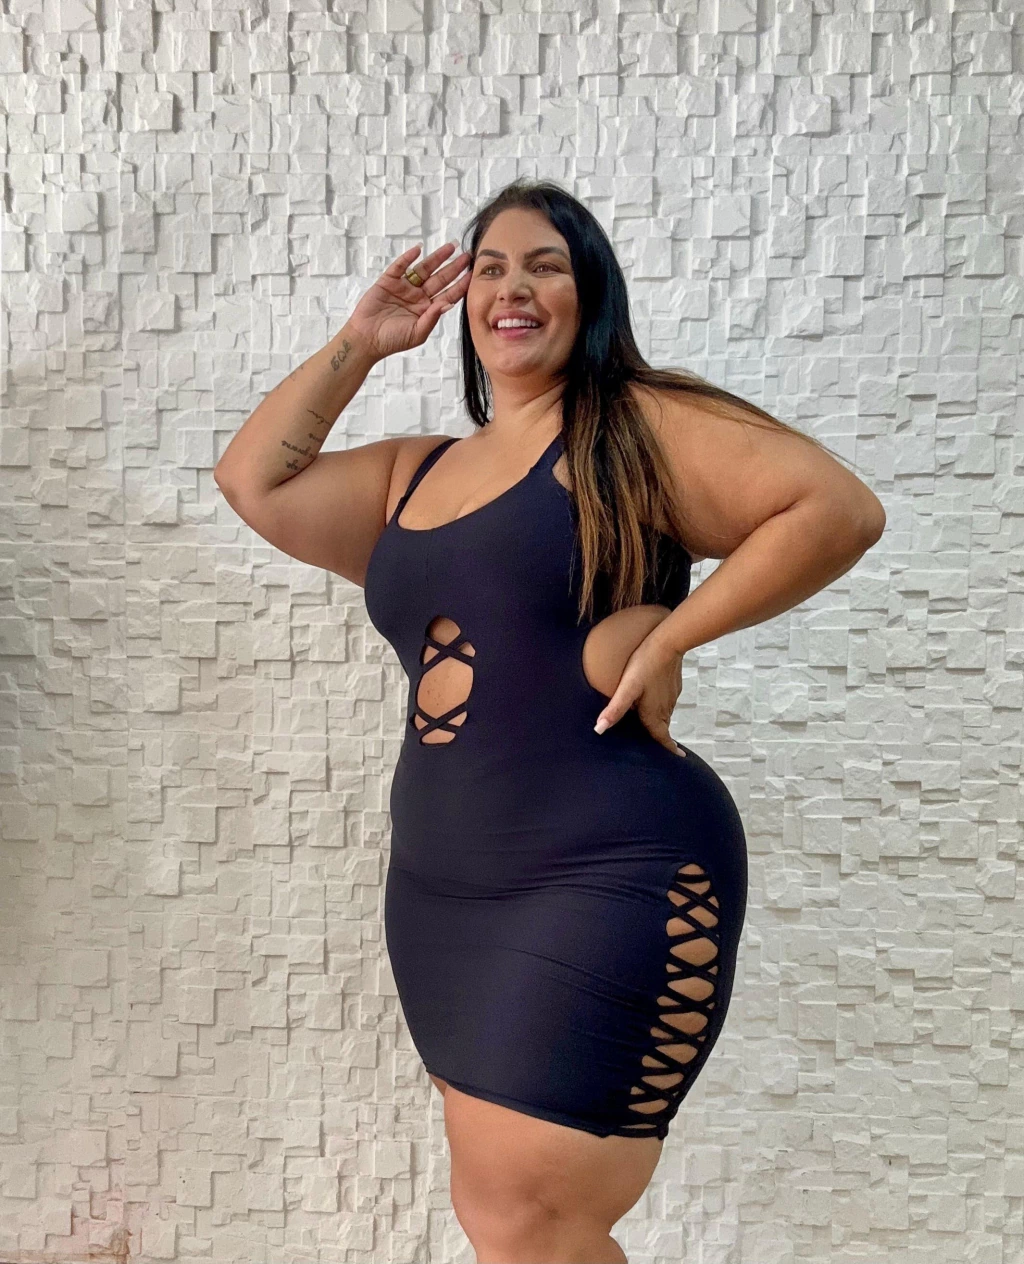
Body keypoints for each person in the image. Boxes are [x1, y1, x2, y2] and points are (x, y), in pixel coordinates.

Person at [215, 179, 886, 1264]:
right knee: (506, 1220)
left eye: (545, 266)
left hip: (606, 867)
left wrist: (674, 635)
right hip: (441, 891)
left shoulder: (631, 428)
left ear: (591, 294)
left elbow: (836, 508)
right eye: (490, 267)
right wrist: (362, 343)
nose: (512, 288)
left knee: (533, 1218)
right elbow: (254, 481)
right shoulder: (413, 473)